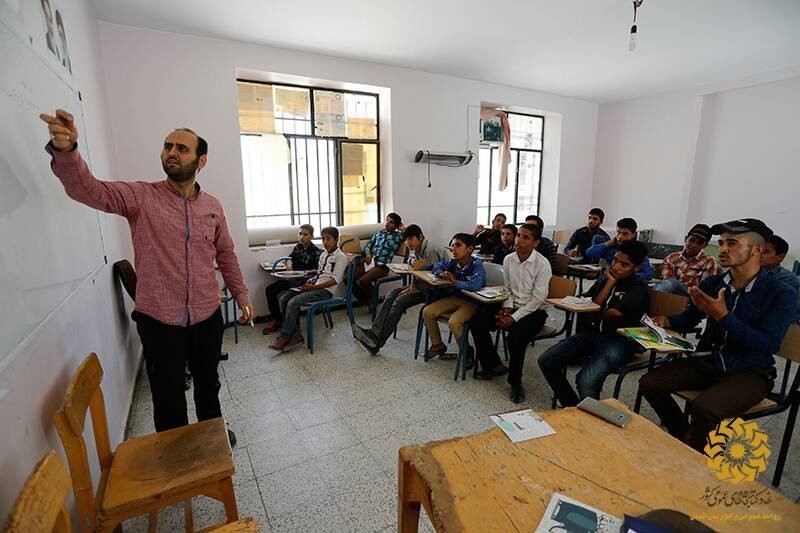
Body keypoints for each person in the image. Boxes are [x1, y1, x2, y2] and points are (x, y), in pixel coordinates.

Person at [40, 110, 253, 445]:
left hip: (206, 316)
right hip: (159, 321)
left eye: (182, 148)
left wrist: (241, 294)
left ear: (201, 160)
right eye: (168, 146)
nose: (172, 152)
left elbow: (226, 252)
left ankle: (211, 439)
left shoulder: (213, 206)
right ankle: (175, 455)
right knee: (168, 395)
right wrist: (67, 152)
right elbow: (89, 190)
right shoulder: (141, 197)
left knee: (208, 385)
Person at [639, 219, 795, 452]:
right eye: (721, 243)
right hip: (709, 360)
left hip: (751, 371)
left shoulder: (781, 293)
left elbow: (768, 344)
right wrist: (667, 321)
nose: (722, 249)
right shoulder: (714, 282)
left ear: (757, 250)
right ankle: (686, 438)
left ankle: (699, 459)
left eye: (732, 243)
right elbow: (689, 318)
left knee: (706, 409)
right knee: (649, 383)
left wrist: (723, 317)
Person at [538, 240, 650, 407]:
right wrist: (602, 292)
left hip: (621, 341)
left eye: (624, 264)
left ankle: (591, 421)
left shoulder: (638, 288)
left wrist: (608, 287)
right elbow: (590, 304)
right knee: (546, 360)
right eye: (615, 260)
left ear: (637, 268)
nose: (617, 267)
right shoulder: (606, 278)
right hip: (595, 334)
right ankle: (571, 405)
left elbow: (606, 313)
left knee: (586, 381)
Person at [472, 224, 552, 403]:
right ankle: (494, 365)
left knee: (515, 337)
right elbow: (507, 288)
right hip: (513, 305)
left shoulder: (542, 264)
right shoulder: (509, 259)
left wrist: (513, 318)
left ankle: (515, 383)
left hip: (534, 311)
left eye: (526, 238)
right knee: (478, 321)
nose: (519, 241)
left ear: (536, 242)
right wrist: (507, 307)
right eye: (519, 236)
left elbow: (538, 300)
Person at [351, 225, 449, 354]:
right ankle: (374, 332)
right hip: (424, 286)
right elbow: (418, 267)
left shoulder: (430, 250)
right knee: (392, 293)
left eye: (411, 239)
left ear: (420, 237)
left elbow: (434, 279)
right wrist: (414, 284)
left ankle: (377, 342)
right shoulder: (419, 247)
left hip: (436, 291)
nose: (408, 243)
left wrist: (416, 287)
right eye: (407, 240)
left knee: (400, 301)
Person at [268, 226, 348, 352]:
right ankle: (295, 335)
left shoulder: (341, 257)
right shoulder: (323, 255)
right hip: (315, 286)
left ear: (336, 240)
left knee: (293, 302)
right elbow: (320, 273)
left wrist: (314, 286)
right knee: (284, 298)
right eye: (323, 239)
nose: (325, 242)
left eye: (328, 239)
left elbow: (334, 280)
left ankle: (286, 336)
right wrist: (313, 279)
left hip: (325, 291)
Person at [422, 234, 486, 361]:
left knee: (454, 321)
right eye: (452, 245)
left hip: (472, 302)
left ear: (469, 249)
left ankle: (467, 351)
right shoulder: (453, 262)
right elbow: (437, 266)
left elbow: (476, 285)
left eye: (458, 245)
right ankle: (438, 345)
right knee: (427, 311)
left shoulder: (476, 264)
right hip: (456, 298)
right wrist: (442, 273)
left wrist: (455, 281)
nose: (453, 249)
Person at [262, 224, 322, 334]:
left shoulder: (316, 252)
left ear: (311, 236)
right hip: (292, 279)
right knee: (270, 289)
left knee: (290, 296)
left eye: (305, 234)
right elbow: (290, 258)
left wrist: (304, 272)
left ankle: (294, 326)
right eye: (300, 234)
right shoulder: (298, 247)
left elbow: (317, 270)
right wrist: (289, 265)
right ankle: (278, 319)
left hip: (304, 281)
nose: (302, 237)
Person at [653, 224, 717, 296]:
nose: (694, 245)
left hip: (692, 298)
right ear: (686, 238)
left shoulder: (709, 262)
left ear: (705, 246)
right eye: (692, 240)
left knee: (671, 284)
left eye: (699, 243)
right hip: (670, 296)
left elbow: (704, 289)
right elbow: (666, 280)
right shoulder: (672, 257)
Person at [353, 213, 403, 304]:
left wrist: (402, 228)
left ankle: (372, 301)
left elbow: (410, 233)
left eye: (391, 222)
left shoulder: (398, 236)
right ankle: (367, 300)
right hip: (370, 262)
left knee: (363, 281)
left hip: (382, 267)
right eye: (387, 220)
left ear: (396, 226)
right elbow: (368, 246)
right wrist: (368, 254)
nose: (387, 223)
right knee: (347, 278)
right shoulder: (378, 234)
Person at [585, 217, 652, 280]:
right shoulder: (611, 248)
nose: (620, 237)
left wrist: (622, 275)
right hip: (604, 282)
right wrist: (609, 243)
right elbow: (590, 253)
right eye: (618, 233)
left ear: (633, 235)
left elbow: (648, 274)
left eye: (625, 234)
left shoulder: (637, 251)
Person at [761, 235, 800, 323]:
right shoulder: (751, 272)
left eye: (766, 252)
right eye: (759, 250)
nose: (760, 255)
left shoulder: (788, 279)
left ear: (780, 257)